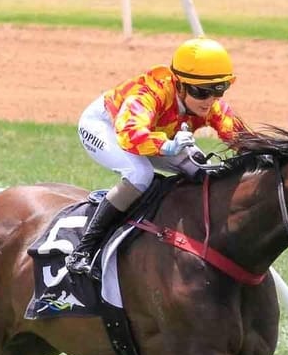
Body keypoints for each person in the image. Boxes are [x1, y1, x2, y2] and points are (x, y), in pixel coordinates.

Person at [66, 36, 248, 277]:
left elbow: (241, 138)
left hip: (155, 134)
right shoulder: (151, 91)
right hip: (108, 127)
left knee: (201, 172)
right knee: (140, 174)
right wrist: (168, 147)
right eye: (202, 93)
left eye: (219, 91)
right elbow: (130, 135)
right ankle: (84, 249)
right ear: (180, 85)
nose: (211, 101)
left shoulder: (209, 104)